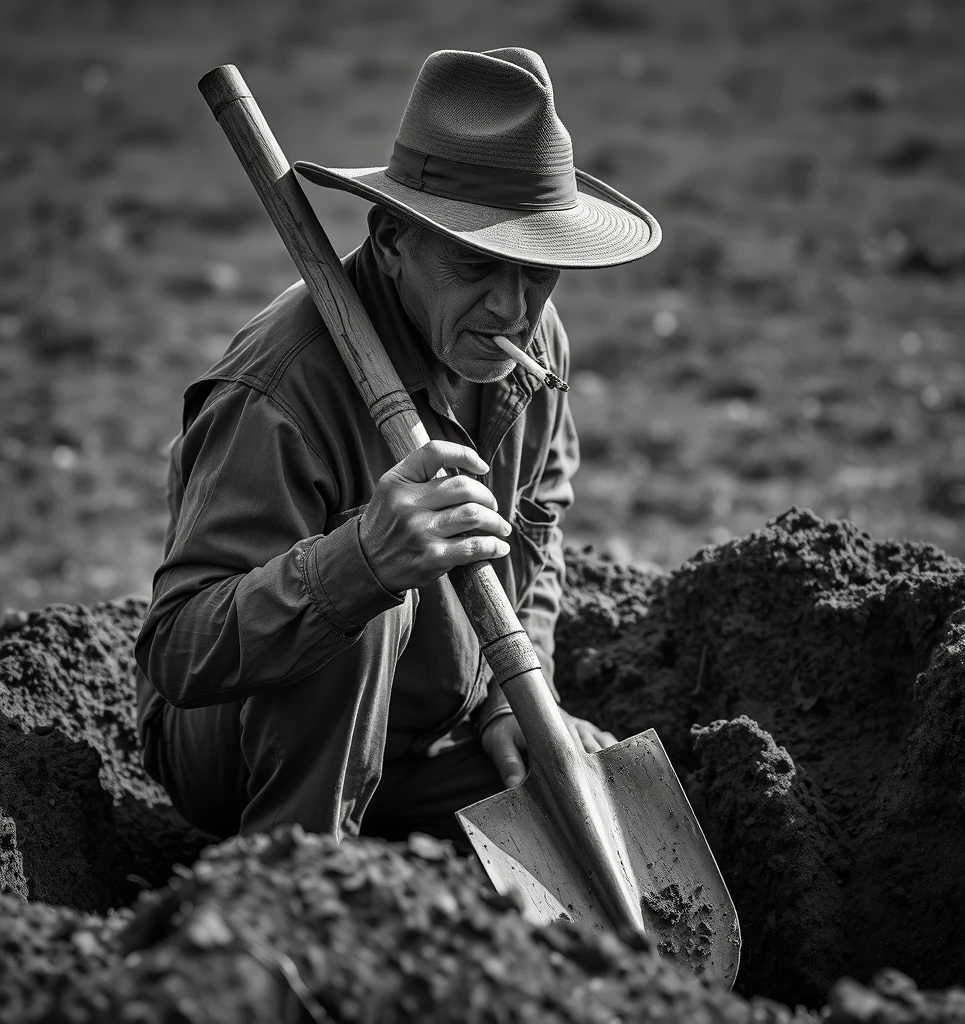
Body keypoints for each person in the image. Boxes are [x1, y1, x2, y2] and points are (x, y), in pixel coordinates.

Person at [134, 47, 661, 849]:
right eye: (478, 265)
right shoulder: (277, 392)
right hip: (239, 750)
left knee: (586, 794)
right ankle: (292, 884)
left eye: (540, 272)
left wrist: (513, 697)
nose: (512, 309)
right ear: (390, 239)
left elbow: (539, 534)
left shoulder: (530, 344)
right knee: (367, 598)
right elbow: (178, 651)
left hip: (426, 735)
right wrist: (360, 566)